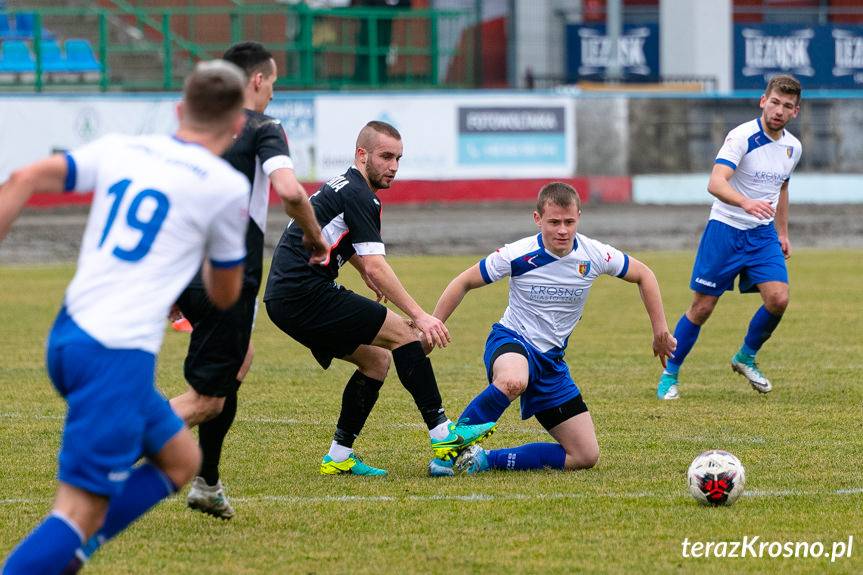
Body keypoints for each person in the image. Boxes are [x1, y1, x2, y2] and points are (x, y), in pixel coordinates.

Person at [0, 60, 250, 574]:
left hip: (70, 336)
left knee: (182, 460)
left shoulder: (122, 147)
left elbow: (25, 177)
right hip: (115, 354)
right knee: (75, 512)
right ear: (238, 126)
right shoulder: (225, 187)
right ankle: (68, 546)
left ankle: (74, 552)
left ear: (180, 110)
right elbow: (226, 295)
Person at [264, 120, 496, 476]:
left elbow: (337, 239)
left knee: (376, 362)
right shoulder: (360, 195)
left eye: (399, 159)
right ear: (362, 155)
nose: (393, 167)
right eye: (386, 156)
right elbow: (377, 266)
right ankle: (442, 432)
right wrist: (420, 315)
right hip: (305, 294)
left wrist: (358, 270)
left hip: (286, 298)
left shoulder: (342, 186)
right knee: (405, 334)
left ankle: (339, 457)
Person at [168, 41, 328, 520]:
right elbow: (290, 192)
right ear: (256, 80)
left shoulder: (197, 130)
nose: (274, 94)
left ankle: (208, 481)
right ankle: (115, 441)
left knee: (239, 362)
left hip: (181, 264)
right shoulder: (263, 128)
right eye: (274, 82)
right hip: (226, 275)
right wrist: (315, 239)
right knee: (205, 400)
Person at [426, 182, 677, 476]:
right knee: (512, 380)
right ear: (538, 219)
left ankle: (484, 460)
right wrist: (434, 324)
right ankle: (446, 454)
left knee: (584, 455)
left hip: (551, 362)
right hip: (512, 340)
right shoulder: (517, 254)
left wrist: (660, 331)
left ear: (579, 218)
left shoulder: (594, 254)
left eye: (569, 222)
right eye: (554, 222)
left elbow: (644, 274)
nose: (562, 230)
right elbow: (464, 281)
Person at [656, 74, 802, 401]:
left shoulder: (793, 147)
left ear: (795, 112)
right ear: (763, 101)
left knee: (778, 298)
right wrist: (745, 202)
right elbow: (716, 182)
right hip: (725, 230)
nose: (779, 110)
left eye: (787, 106)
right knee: (702, 307)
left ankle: (746, 357)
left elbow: (782, 187)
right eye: (775, 102)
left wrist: (782, 232)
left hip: (762, 235)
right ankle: (670, 374)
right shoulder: (742, 137)